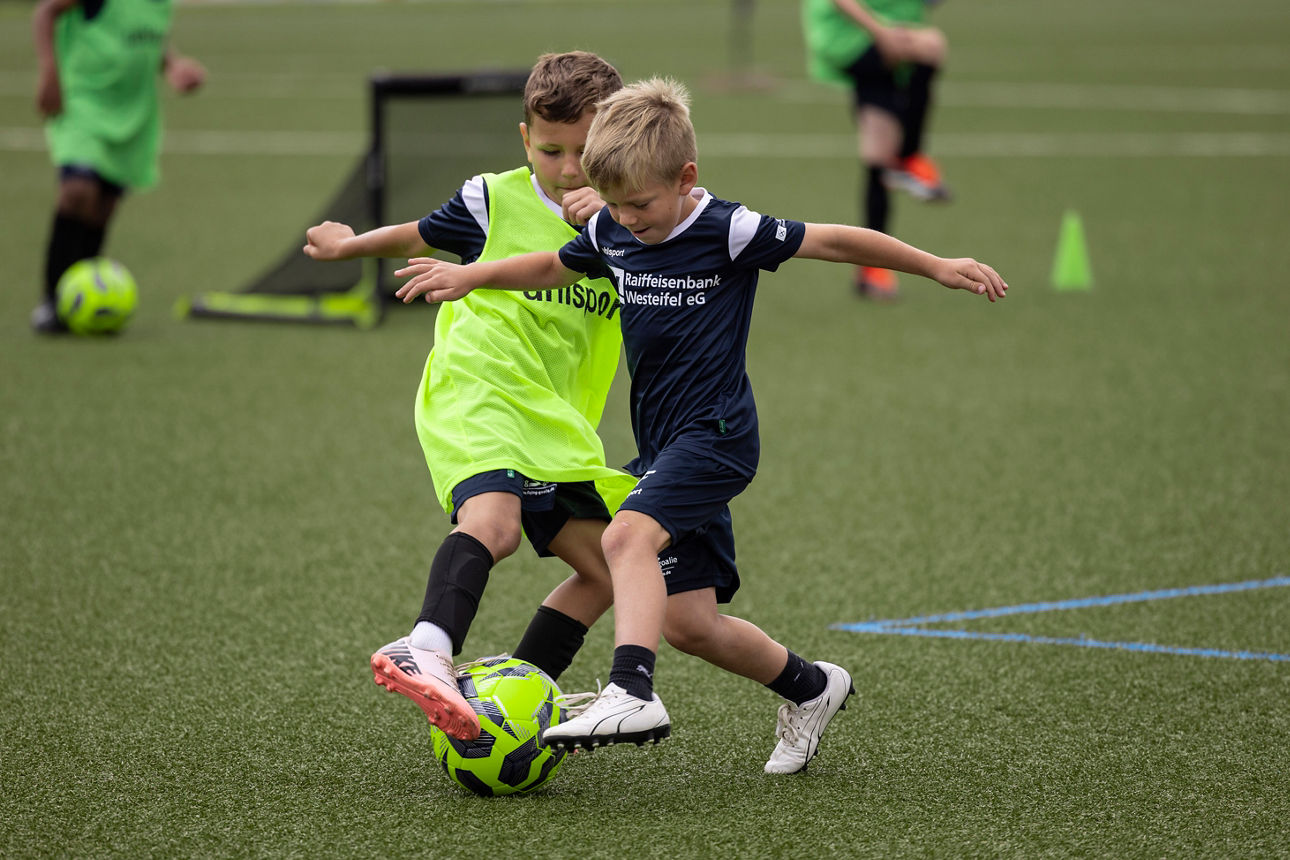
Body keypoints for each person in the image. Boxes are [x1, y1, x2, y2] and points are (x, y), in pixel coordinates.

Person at [392, 78, 1007, 773]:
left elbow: (834, 240)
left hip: (714, 436)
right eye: (616, 206)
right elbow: (550, 263)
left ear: (686, 178)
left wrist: (936, 265)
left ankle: (630, 688)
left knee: (625, 537)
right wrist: (474, 276)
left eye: (642, 205)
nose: (627, 220)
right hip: (662, 449)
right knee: (689, 623)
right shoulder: (611, 226)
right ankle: (811, 687)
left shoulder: (727, 228)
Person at [303, 52, 634, 742]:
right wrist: (349, 246)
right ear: (525, 140)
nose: (569, 168)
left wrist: (615, 219)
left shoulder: (638, 224)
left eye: (587, 151)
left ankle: (514, 707)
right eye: (551, 151)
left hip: (557, 422)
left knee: (609, 570)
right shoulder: (494, 197)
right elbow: (420, 234)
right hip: (477, 386)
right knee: (496, 524)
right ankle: (424, 644)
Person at [31, 0, 206, 334]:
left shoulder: (161, 4)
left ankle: (82, 297)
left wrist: (172, 65)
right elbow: (44, 11)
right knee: (77, 192)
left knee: (102, 208)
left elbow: (147, 35)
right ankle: (53, 301)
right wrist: (49, 72)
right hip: (82, 102)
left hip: (132, 115)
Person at [801, 0, 951, 299]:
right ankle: (909, 157)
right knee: (932, 46)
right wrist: (881, 33)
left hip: (873, 44)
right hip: (855, 36)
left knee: (877, 155)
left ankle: (871, 273)